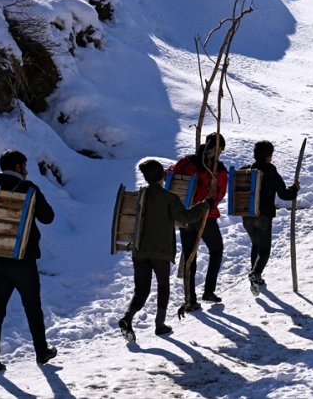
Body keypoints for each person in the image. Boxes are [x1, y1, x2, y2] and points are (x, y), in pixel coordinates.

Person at [117, 160, 212, 342]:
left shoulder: (139, 196)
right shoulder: (169, 198)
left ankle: (127, 318)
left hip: (140, 251)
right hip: (160, 252)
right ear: (163, 176)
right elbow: (185, 217)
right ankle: (160, 325)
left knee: (141, 290)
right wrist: (204, 205)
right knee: (163, 286)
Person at [0, 150, 57, 373]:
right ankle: (41, 351)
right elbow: (48, 217)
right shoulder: (29, 189)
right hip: (24, 259)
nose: (26, 171)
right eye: (24, 166)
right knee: (32, 306)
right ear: (17, 167)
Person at [172, 132, 228, 311]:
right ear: (218, 149)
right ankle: (209, 290)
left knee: (190, 258)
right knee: (217, 250)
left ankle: (190, 299)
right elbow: (219, 194)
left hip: (185, 216)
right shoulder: (218, 169)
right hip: (205, 216)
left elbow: (170, 177)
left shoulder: (186, 162)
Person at [241, 141, 300, 290]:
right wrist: (294, 189)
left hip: (247, 217)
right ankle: (256, 273)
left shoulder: (246, 170)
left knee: (256, 244)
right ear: (268, 156)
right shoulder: (270, 170)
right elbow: (284, 195)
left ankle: (256, 277)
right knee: (264, 249)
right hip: (263, 217)